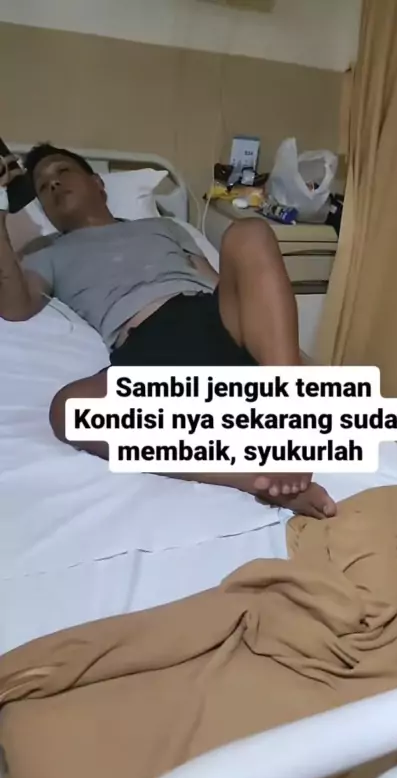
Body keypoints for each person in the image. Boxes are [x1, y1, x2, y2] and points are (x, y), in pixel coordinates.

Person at [0, 143, 336, 519]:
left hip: (208, 316)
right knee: (68, 409)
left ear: (98, 183)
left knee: (250, 232)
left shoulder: (164, 227)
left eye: (62, 172)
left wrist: (290, 355)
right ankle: (258, 478)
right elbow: (14, 308)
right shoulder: (45, 253)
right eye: (42, 186)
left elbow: (223, 281)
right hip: (148, 347)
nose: (54, 185)